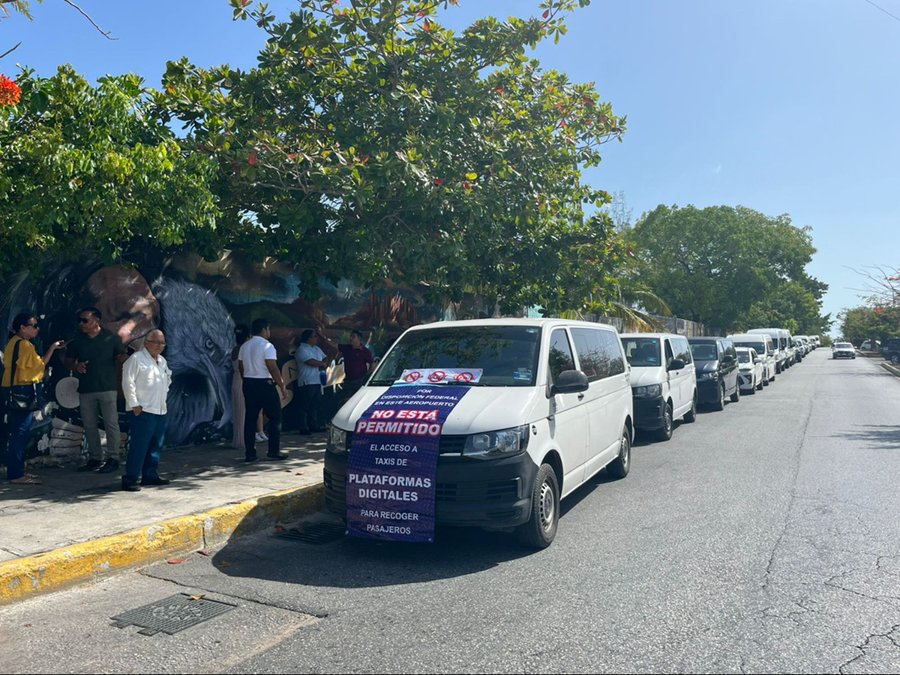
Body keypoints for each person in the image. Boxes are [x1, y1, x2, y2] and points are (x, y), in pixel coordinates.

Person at [1, 314, 65, 484]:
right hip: (23, 390)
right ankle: (17, 474)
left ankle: (18, 471)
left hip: (11, 389)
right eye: (34, 325)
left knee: (16, 432)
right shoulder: (25, 346)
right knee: (21, 433)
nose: (37, 329)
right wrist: (52, 349)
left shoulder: (12, 343)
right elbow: (41, 366)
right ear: (23, 327)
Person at [64, 307, 128, 474]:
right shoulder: (78, 341)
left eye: (85, 320)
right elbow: (68, 361)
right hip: (86, 388)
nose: (81, 324)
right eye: (80, 320)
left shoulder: (111, 338)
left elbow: (122, 358)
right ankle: (95, 458)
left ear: (97, 320)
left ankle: (113, 457)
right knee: (89, 425)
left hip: (107, 387)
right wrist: (76, 366)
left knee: (111, 423)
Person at [120, 329, 172, 492]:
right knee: (139, 445)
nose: (159, 346)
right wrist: (134, 404)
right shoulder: (136, 359)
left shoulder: (162, 361)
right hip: (142, 410)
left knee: (156, 444)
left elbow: (167, 378)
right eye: (156, 342)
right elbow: (127, 382)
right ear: (146, 342)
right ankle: (130, 478)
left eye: (162, 343)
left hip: (159, 409)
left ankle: (150, 474)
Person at [238, 318, 287, 462]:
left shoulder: (245, 346)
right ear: (264, 329)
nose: (269, 332)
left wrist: (246, 379)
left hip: (248, 382)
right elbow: (272, 367)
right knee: (276, 416)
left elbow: (241, 367)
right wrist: (282, 385)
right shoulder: (267, 346)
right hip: (264, 383)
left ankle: (250, 453)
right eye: (268, 329)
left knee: (250, 418)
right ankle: (273, 450)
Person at [231, 324, 267, 451]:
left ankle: (242, 439)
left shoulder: (237, 348)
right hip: (243, 380)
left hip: (238, 380)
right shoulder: (244, 349)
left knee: (242, 413)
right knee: (243, 413)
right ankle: (242, 440)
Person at [295, 329, 329, 435]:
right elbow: (310, 362)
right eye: (314, 336)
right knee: (305, 405)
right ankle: (303, 427)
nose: (316, 338)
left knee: (314, 405)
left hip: (317, 380)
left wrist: (324, 364)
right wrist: (321, 364)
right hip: (306, 381)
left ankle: (313, 425)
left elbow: (325, 358)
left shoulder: (317, 348)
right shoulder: (302, 349)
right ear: (308, 338)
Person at [337, 330, 374, 403]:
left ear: (359, 339)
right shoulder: (347, 348)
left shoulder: (365, 351)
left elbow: (372, 364)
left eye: (353, 337)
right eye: (351, 336)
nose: (351, 338)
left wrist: (368, 375)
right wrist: (323, 337)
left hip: (360, 382)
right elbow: (334, 345)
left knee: (358, 401)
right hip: (348, 381)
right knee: (346, 401)